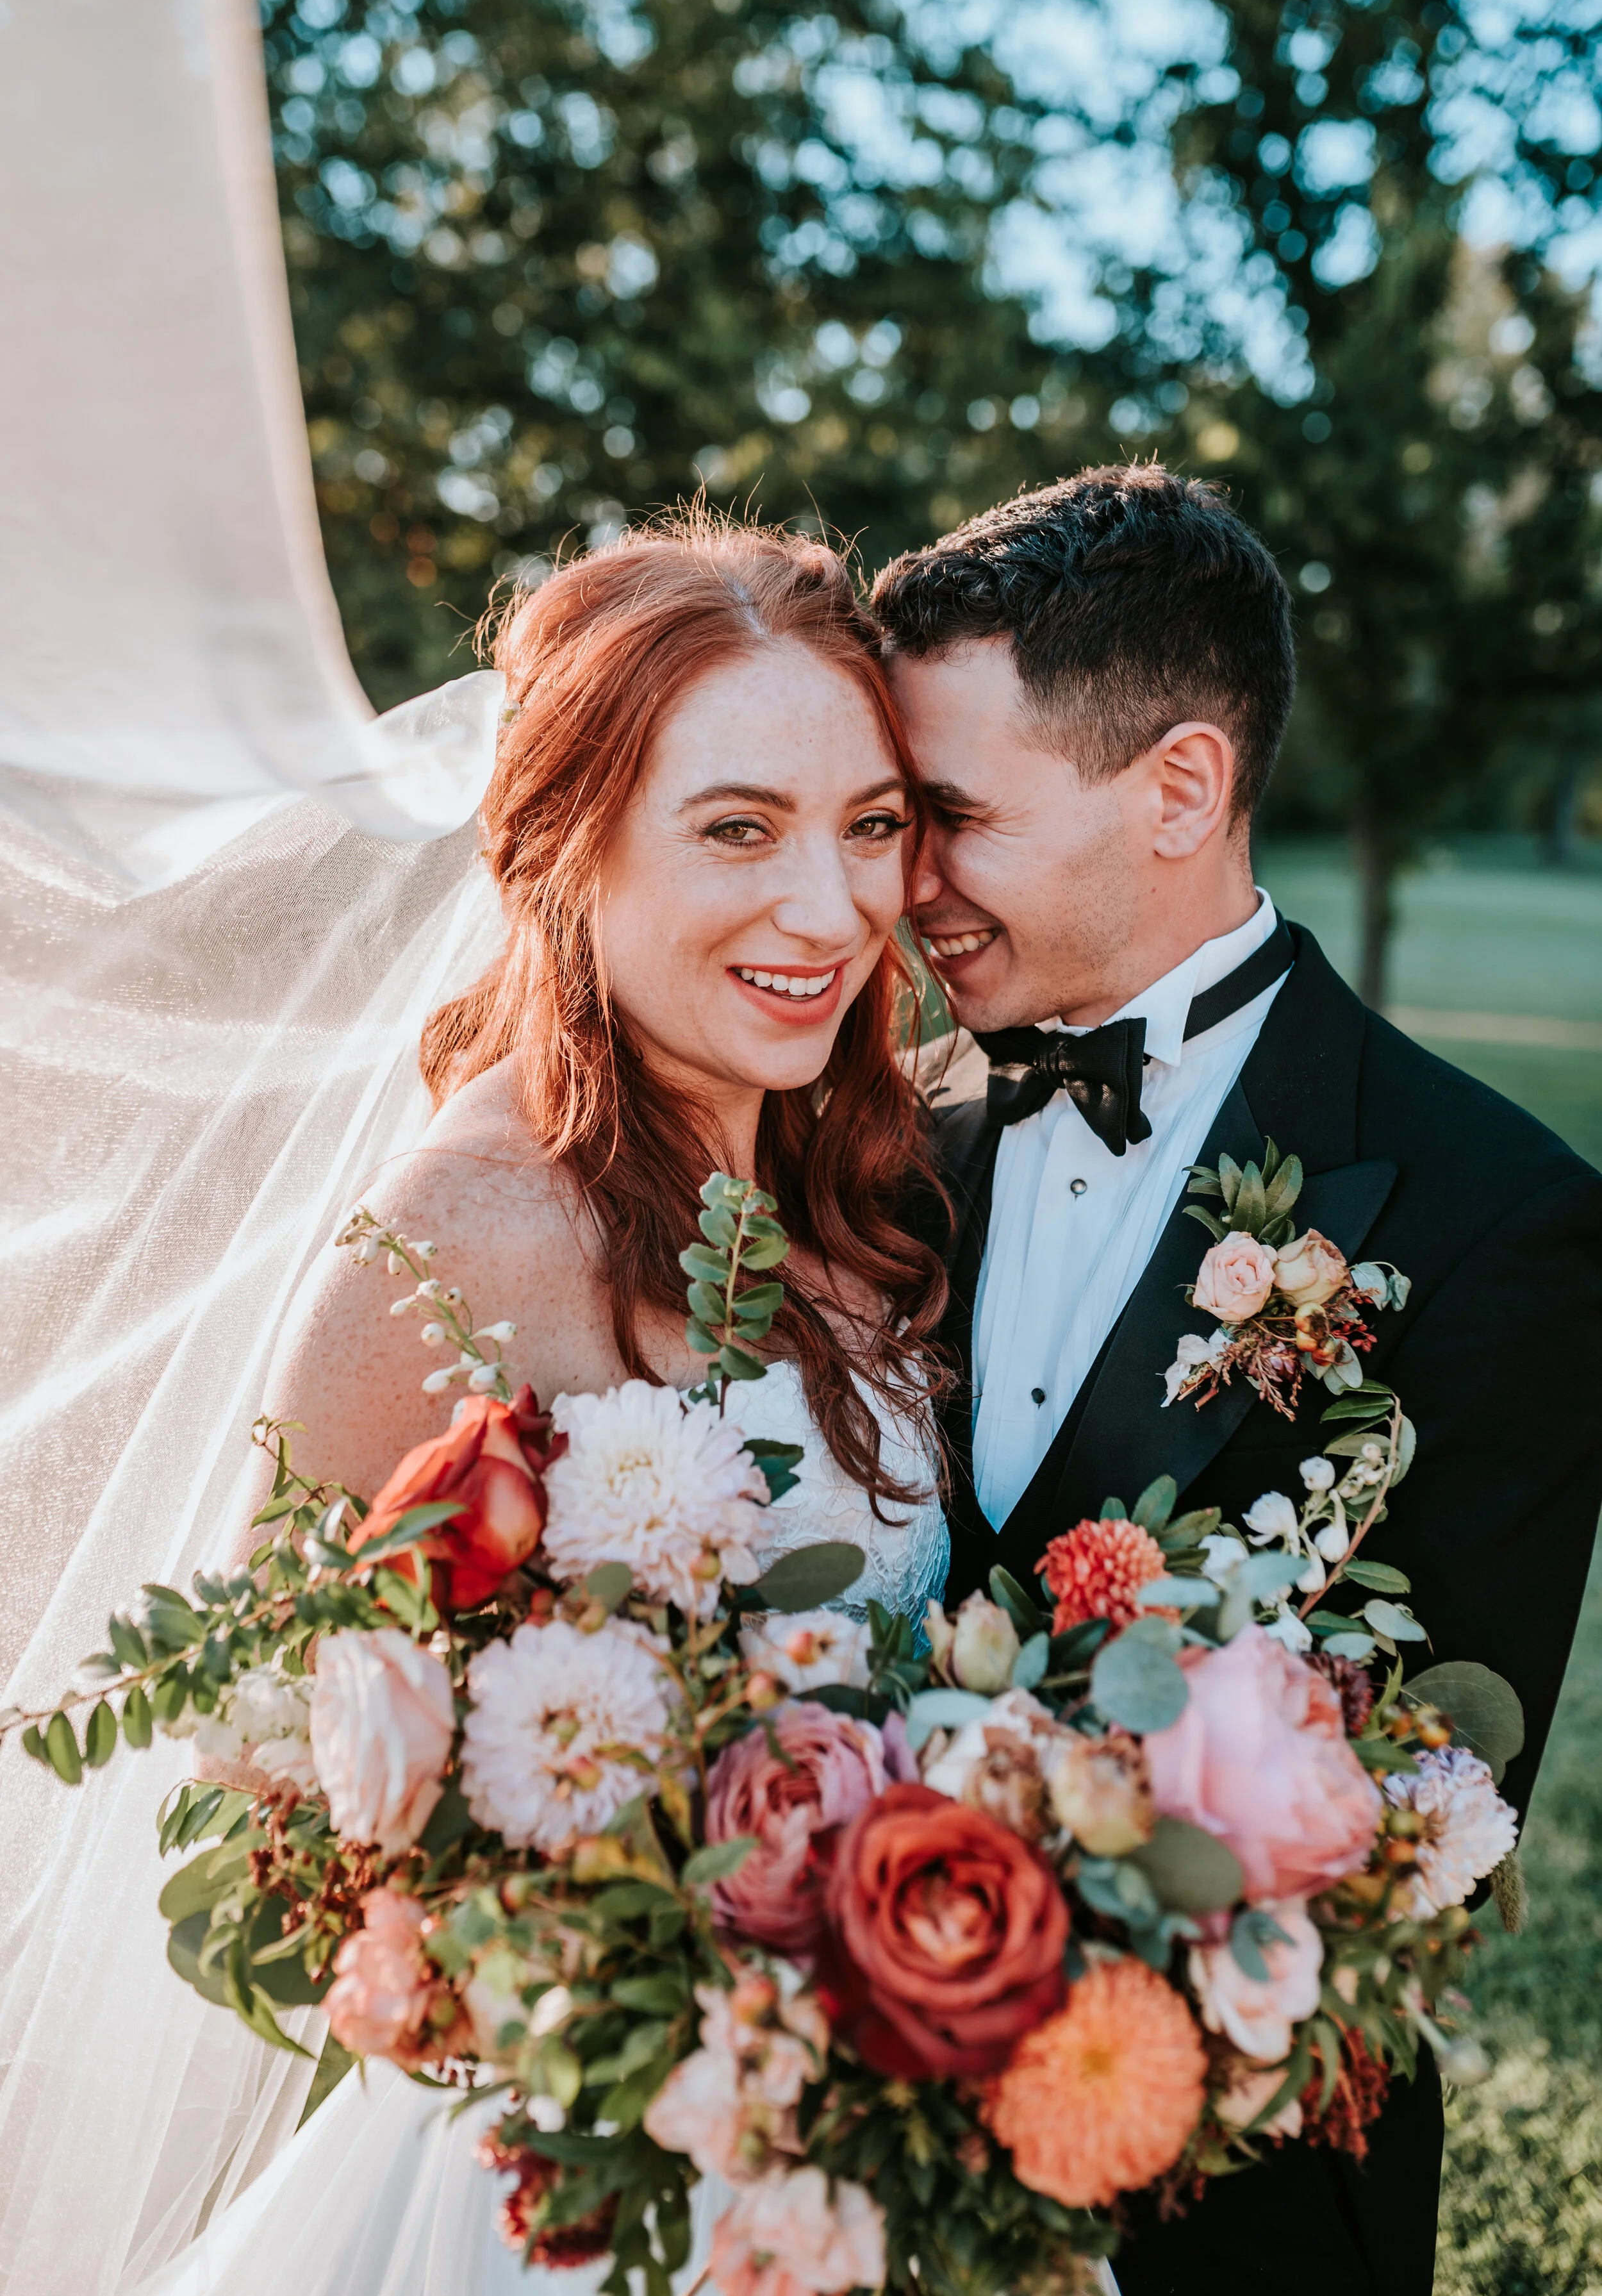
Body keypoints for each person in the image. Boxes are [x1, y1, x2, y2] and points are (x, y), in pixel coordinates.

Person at [136, 515, 953, 2296]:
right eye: (737, 828)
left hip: (875, 2145)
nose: (828, 910)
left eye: (869, 826)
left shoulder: (858, 1198)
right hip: (584, 2187)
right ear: (570, 849)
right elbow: (284, 1775)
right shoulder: (462, 1238)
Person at [874, 462, 1602, 2296]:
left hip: (1227, 2201)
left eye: (952, 816)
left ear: (1181, 786)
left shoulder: (1499, 1218)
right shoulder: (871, 1161)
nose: (907, 886)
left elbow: (1413, 1814)